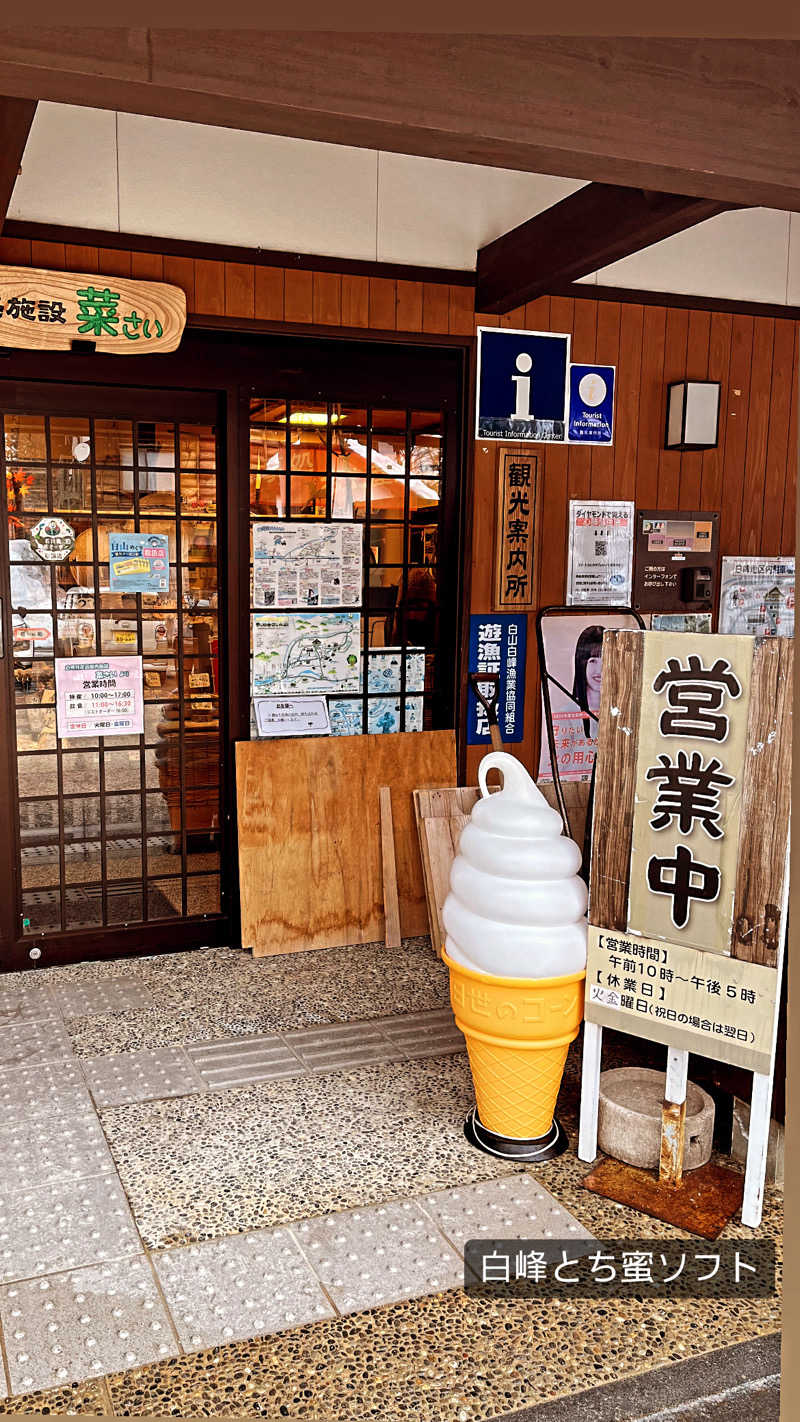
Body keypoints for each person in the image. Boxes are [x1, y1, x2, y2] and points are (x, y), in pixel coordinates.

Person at [572, 624, 605, 739]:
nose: (599, 670)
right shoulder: (567, 713)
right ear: (581, 664)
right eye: (593, 661)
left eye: (605, 660)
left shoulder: (622, 712)